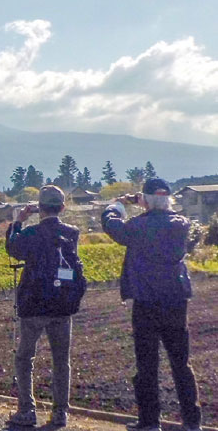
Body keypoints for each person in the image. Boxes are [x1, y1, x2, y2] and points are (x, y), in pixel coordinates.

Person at [102, 178, 202, 431]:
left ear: (146, 200)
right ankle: (192, 422)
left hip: (146, 302)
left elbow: (113, 227)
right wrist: (146, 202)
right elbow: (163, 215)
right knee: (181, 364)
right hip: (176, 301)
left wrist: (115, 206)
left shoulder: (138, 226)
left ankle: (149, 422)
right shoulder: (181, 225)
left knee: (147, 364)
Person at [5, 185, 81, 428]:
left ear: (39, 208)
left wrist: (18, 222)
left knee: (25, 357)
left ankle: (27, 410)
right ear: (62, 207)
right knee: (61, 360)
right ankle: (60, 413)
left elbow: (11, 248)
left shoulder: (30, 234)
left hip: (34, 304)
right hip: (62, 305)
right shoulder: (72, 233)